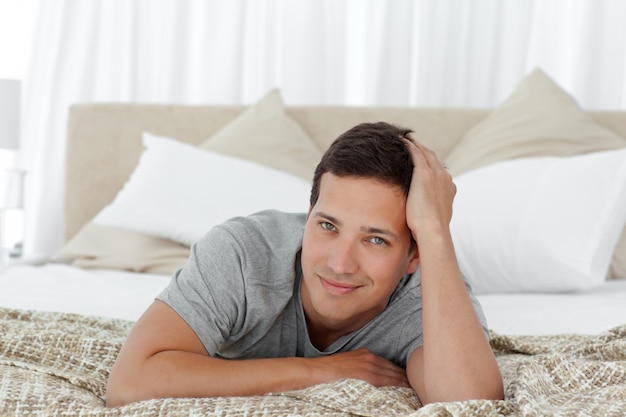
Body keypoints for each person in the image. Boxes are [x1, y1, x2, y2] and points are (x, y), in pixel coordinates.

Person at [105, 121, 504, 407]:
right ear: (308, 212)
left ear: (414, 255)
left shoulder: (433, 298)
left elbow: (468, 404)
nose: (339, 263)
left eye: (376, 239)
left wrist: (435, 234)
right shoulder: (243, 255)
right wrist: (320, 371)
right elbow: (130, 381)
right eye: (328, 225)